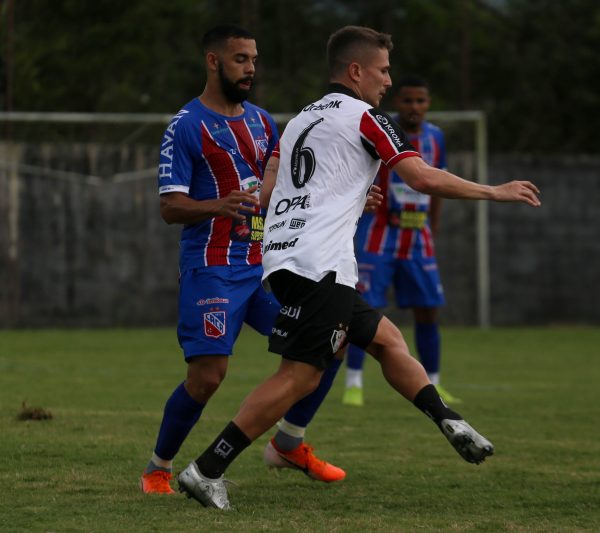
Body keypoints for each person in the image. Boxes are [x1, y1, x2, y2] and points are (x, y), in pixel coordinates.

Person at [177, 25, 541, 510]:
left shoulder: (302, 119)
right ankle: (207, 468)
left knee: (387, 340)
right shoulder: (368, 117)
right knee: (300, 377)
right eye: (383, 70)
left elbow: (280, 190)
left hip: (288, 258)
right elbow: (420, 177)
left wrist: (349, 199)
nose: (388, 81)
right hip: (319, 264)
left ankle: (448, 418)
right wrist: (493, 191)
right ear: (356, 71)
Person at [140, 24, 347, 495]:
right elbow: (170, 207)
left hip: (258, 272)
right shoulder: (185, 125)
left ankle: (290, 443)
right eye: (240, 59)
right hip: (210, 270)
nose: (251, 68)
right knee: (209, 375)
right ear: (213, 61)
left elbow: (284, 191)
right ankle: (157, 468)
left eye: (254, 58)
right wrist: (219, 204)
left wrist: (348, 201)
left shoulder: (261, 121)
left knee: (330, 343)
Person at [344, 75, 457, 408]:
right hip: (379, 233)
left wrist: (432, 227)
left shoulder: (436, 137)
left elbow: (438, 183)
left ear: (428, 104)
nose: (414, 107)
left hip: (417, 236)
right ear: (397, 103)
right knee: (364, 308)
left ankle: (434, 382)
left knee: (428, 309)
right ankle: (354, 382)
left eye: (421, 101)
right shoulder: (380, 129)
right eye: (408, 101)